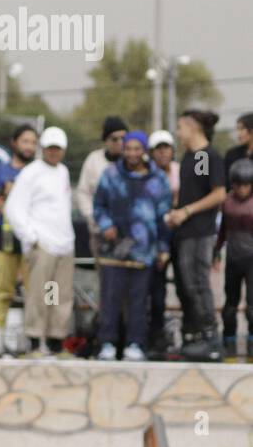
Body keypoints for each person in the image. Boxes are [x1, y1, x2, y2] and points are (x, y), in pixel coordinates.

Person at [92, 131, 171, 362]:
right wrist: (106, 225)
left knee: (139, 301)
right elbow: (99, 205)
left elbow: (163, 216)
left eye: (137, 148)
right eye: (128, 148)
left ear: (145, 151)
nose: (132, 153)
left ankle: (136, 343)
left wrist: (163, 247)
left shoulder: (158, 179)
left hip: (144, 250)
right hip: (113, 249)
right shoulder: (111, 175)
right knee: (110, 299)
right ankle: (107, 343)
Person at [5, 126, 76, 358]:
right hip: (43, 244)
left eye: (58, 149)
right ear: (43, 149)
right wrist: (31, 237)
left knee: (58, 295)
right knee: (39, 294)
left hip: (63, 244)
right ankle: (35, 342)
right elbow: (13, 207)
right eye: (50, 148)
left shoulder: (63, 172)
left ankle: (56, 341)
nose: (54, 153)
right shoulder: (31, 173)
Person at [166, 109, 228, 361]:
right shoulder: (190, 158)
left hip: (199, 233)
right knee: (186, 285)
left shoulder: (204, 156)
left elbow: (218, 193)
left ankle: (211, 339)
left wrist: (188, 211)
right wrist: (176, 210)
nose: (178, 133)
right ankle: (195, 336)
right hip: (184, 232)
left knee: (199, 284)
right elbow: (193, 191)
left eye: (180, 127)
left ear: (193, 127)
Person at [0, 124, 38, 355]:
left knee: (36, 291)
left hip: (33, 240)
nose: (29, 146)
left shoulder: (39, 171)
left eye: (33, 142)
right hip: (5, 238)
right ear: (15, 143)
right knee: (3, 289)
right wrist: (7, 196)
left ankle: (30, 336)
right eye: (25, 141)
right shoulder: (0, 171)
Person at [146, 129, 181, 356]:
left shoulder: (182, 171)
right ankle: (155, 340)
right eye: (158, 149)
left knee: (186, 288)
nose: (163, 153)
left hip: (179, 236)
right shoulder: (145, 174)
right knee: (155, 294)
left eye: (166, 148)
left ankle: (190, 336)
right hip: (155, 239)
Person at [216, 159, 253, 360]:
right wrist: (216, 251)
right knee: (230, 305)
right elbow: (222, 231)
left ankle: (251, 345)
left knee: (252, 307)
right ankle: (229, 342)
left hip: (251, 261)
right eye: (238, 185)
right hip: (233, 259)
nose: (242, 189)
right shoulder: (227, 202)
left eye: (246, 185)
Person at [75, 116, 128, 255]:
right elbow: (83, 193)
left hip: (129, 235)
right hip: (101, 234)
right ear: (106, 140)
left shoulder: (134, 162)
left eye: (123, 138)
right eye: (114, 139)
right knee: (106, 276)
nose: (120, 143)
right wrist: (95, 219)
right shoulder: (94, 160)